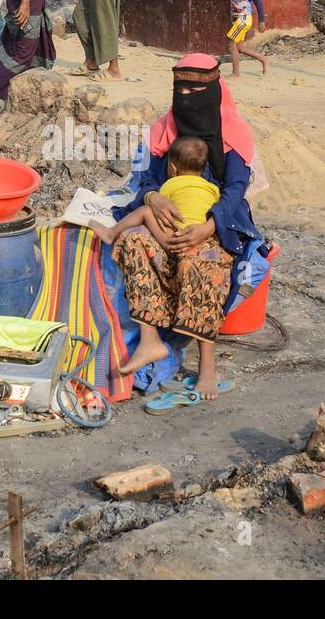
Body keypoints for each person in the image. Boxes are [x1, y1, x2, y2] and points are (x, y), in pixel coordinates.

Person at [110, 54, 267, 401]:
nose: (188, 96)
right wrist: (153, 198)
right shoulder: (163, 129)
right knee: (133, 240)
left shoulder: (234, 132)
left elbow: (235, 189)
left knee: (202, 262)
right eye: (181, 88)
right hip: (167, 220)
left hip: (216, 223)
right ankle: (150, 342)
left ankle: (207, 365)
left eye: (197, 88)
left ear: (213, 90)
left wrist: (209, 225)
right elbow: (146, 179)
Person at [201, 0, 268, 76]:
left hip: (244, 19)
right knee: (240, 48)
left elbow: (258, 2)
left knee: (231, 43)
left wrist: (262, 21)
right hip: (237, 19)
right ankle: (262, 58)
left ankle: (236, 74)